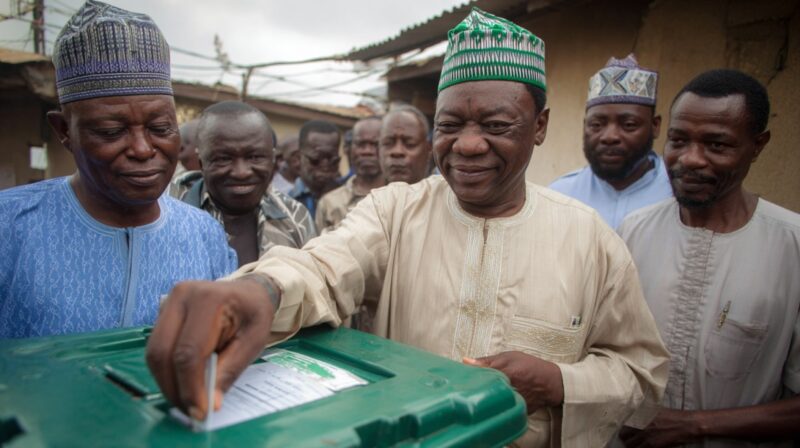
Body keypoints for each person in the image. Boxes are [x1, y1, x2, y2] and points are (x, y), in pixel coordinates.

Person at [146, 9, 668, 447]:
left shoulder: (591, 239)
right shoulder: (393, 211)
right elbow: (323, 266)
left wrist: (559, 382)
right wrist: (261, 290)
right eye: (449, 125)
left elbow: (641, 374)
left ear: (540, 126)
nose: (468, 145)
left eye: (495, 126)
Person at [0, 0, 236, 339]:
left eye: (160, 128)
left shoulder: (204, 235)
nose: (142, 149)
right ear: (64, 131)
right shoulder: (9, 227)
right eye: (111, 132)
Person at [618, 69, 800, 447]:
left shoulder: (792, 246)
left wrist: (694, 425)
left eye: (717, 145)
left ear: (758, 145)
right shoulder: (633, 232)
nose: (691, 159)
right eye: (678, 140)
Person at [171, 101, 316, 267]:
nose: (241, 172)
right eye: (224, 159)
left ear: (273, 159)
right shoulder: (166, 209)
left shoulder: (295, 218)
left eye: (255, 157)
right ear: (201, 162)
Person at [549, 54, 671, 229]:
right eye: (596, 125)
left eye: (629, 125)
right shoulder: (559, 197)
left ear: (655, 126)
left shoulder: (677, 193)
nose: (609, 137)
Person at [316, 116, 384, 232]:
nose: (367, 151)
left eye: (375, 144)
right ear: (349, 149)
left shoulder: (402, 199)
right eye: (361, 144)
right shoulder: (329, 203)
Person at [288, 120, 342, 218]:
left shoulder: (352, 201)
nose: (325, 166)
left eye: (333, 160)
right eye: (316, 160)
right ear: (299, 157)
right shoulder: (284, 202)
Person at [380, 104, 433, 184]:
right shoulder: (370, 192)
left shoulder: (447, 191)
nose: (397, 151)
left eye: (410, 144)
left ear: (429, 149)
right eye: (388, 143)